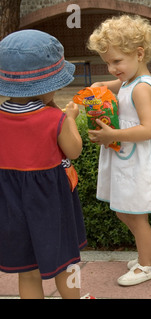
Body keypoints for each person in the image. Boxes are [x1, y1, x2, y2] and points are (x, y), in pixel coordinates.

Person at [0, 30, 86, 299]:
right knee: (66, 263)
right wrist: (69, 117)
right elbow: (74, 150)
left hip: (10, 203)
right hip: (50, 202)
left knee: (27, 270)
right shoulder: (53, 119)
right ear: (47, 85)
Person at [87, 15, 151, 286]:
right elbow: (113, 87)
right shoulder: (129, 81)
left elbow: (148, 129)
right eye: (107, 63)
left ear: (139, 53)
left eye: (116, 62)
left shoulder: (141, 89)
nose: (111, 69)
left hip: (139, 159)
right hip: (128, 157)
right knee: (125, 210)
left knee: (135, 213)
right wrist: (99, 87)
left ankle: (147, 266)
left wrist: (112, 134)